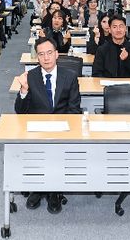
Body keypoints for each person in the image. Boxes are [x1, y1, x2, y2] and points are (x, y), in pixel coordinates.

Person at [14, 37, 82, 214]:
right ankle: (38, 188)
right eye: (41, 54)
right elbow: (20, 112)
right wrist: (24, 90)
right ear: (37, 57)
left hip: (63, 128)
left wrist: (64, 129)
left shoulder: (70, 76)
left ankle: (54, 191)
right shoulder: (31, 77)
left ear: (57, 54)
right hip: (37, 129)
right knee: (38, 152)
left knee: (56, 152)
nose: (46, 58)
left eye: (49, 53)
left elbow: (74, 109)